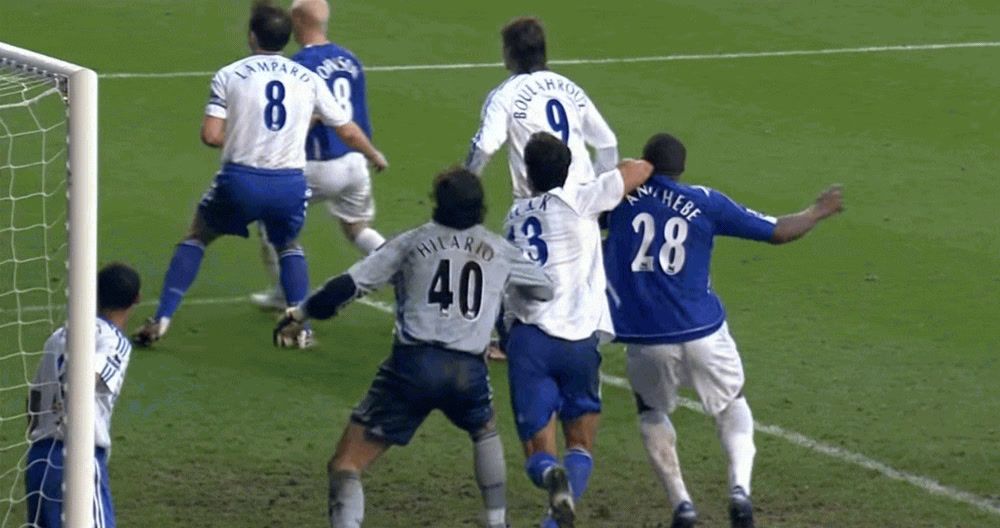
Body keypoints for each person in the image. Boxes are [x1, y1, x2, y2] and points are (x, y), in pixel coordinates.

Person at [273, 168, 553, 528]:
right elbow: (544, 288)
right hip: (468, 370)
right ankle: (496, 521)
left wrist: (301, 312)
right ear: (480, 208)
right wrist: (499, 290)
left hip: (412, 368)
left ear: (438, 204)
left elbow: (347, 287)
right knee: (484, 429)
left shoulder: (412, 242)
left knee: (346, 465)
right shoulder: (499, 249)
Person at [602, 133, 844, 528]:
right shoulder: (704, 201)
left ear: (645, 165)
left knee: (651, 411)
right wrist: (819, 210)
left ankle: (682, 503)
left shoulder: (612, 199)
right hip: (702, 331)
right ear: (680, 169)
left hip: (644, 337)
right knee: (733, 404)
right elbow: (778, 231)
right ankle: (739, 492)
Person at [133, 0, 387, 348]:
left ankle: (162, 318)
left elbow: (210, 135)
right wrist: (372, 154)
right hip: (290, 184)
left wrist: (241, 138)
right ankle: (302, 328)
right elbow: (346, 129)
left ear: (252, 37)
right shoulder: (308, 78)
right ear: (287, 38)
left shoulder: (230, 74)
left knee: (197, 236)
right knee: (287, 244)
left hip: (241, 180)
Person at [502, 132, 653, 528]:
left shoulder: (513, 218)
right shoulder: (582, 200)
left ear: (526, 172)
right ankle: (552, 524)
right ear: (568, 170)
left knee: (538, 451)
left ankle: (552, 479)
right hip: (579, 344)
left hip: (528, 340)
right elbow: (639, 169)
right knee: (580, 444)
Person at [251, 0, 386, 310]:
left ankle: (284, 293)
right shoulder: (350, 60)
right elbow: (358, 115)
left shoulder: (298, 66)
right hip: (355, 161)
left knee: (271, 220)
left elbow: (304, 117)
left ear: (297, 21)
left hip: (318, 164)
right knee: (357, 229)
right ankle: (404, 268)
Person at [25, 262, 142, 528]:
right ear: (137, 299)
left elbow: (33, 398)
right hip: (79, 459)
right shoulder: (115, 341)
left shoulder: (58, 336)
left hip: (39, 459)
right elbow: (87, 379)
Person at [465, 16, 618, 199]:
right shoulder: (571, 89)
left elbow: (484, 147)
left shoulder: (505, 95)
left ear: (509, 52)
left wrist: (465, 187)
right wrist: (596, 192)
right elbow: (608, 143)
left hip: (535, 207)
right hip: (581, 203)